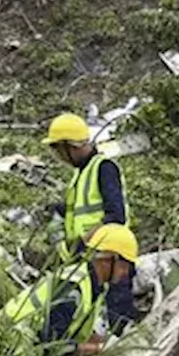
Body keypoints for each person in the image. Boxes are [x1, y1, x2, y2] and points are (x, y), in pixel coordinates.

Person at [0, 224, 139, 356]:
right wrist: (98, 349)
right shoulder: (74, 287)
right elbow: (52, 341)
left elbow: (70, 332)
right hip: (11, 343)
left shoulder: (92, 286)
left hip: (23, 343)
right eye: (125, 266)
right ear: (108, 259)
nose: (125, 273)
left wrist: (103, 342)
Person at [44, 112, 137, 334]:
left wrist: (84, 242)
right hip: (92, 256)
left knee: (116, 314)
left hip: (109, 255)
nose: (60, 157)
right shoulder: (79, 175)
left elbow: (115, 215)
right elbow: (77, 212)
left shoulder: (103, 168)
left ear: (71, 146)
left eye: (59, 150)